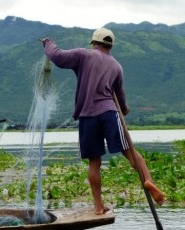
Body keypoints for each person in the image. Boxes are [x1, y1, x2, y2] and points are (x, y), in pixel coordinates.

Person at [42, 28, 165, 215]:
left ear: (94, 43)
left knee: (94, 162)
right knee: (130, 152)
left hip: (87, 116)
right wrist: (123, 109)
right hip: (109, 112)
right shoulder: (116, 66)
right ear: (111, 46)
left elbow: (56, 56)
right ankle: (148, 180)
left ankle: (99, 206)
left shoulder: (83, 55)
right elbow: (120, 95)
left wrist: (48, 42)